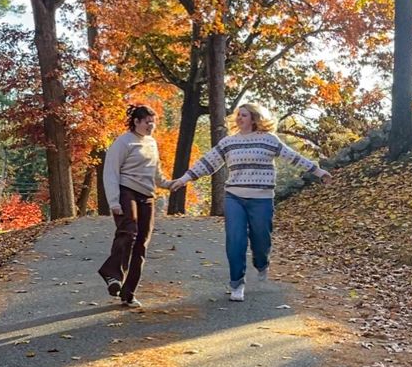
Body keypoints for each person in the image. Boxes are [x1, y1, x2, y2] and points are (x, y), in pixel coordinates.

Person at [170, 102, 331, 302]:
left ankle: (262, 262)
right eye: (238, 115)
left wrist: (318, 171)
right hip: (234, 197)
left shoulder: (268, 140)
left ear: (254, 118)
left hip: (261, 199)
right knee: (235, 240)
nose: (239, 118)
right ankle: (237, 283)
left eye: (244, 115)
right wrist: (184, 179)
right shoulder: (229, 142)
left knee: (261, 239)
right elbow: (207, 162)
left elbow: (293, 157)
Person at [98, 104, 173, 308]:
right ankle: (112, 274)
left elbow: (156, 173)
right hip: (126, 191)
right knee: (128, 231)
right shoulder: (123, 142)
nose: (151, 125)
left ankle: (128, 293)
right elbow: (111, 172)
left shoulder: (152, 143)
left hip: (147, 195)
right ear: (136, 122)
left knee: (142, 243)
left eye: (153, 122)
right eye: (147, 122)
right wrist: (114, 201)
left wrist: (168, 184)